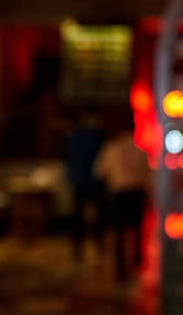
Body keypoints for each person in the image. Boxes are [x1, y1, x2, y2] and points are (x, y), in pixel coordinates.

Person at [93, 123, 152, 282]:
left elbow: (100, 171)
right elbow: (148, 175)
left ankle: (120, 269)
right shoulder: (140, 151)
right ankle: (138, 263)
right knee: (137, 229)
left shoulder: (112, 148)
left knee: (118, 232)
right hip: (136, 192)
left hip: (119, 193)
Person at [65, 112, 106, 262]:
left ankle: (78, 249)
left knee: (78, 217)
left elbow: (69, 159)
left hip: (79, 181)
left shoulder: (75, 137)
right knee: (97, 215)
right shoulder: (97, 137)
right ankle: (98, 244)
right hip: (93, 180)